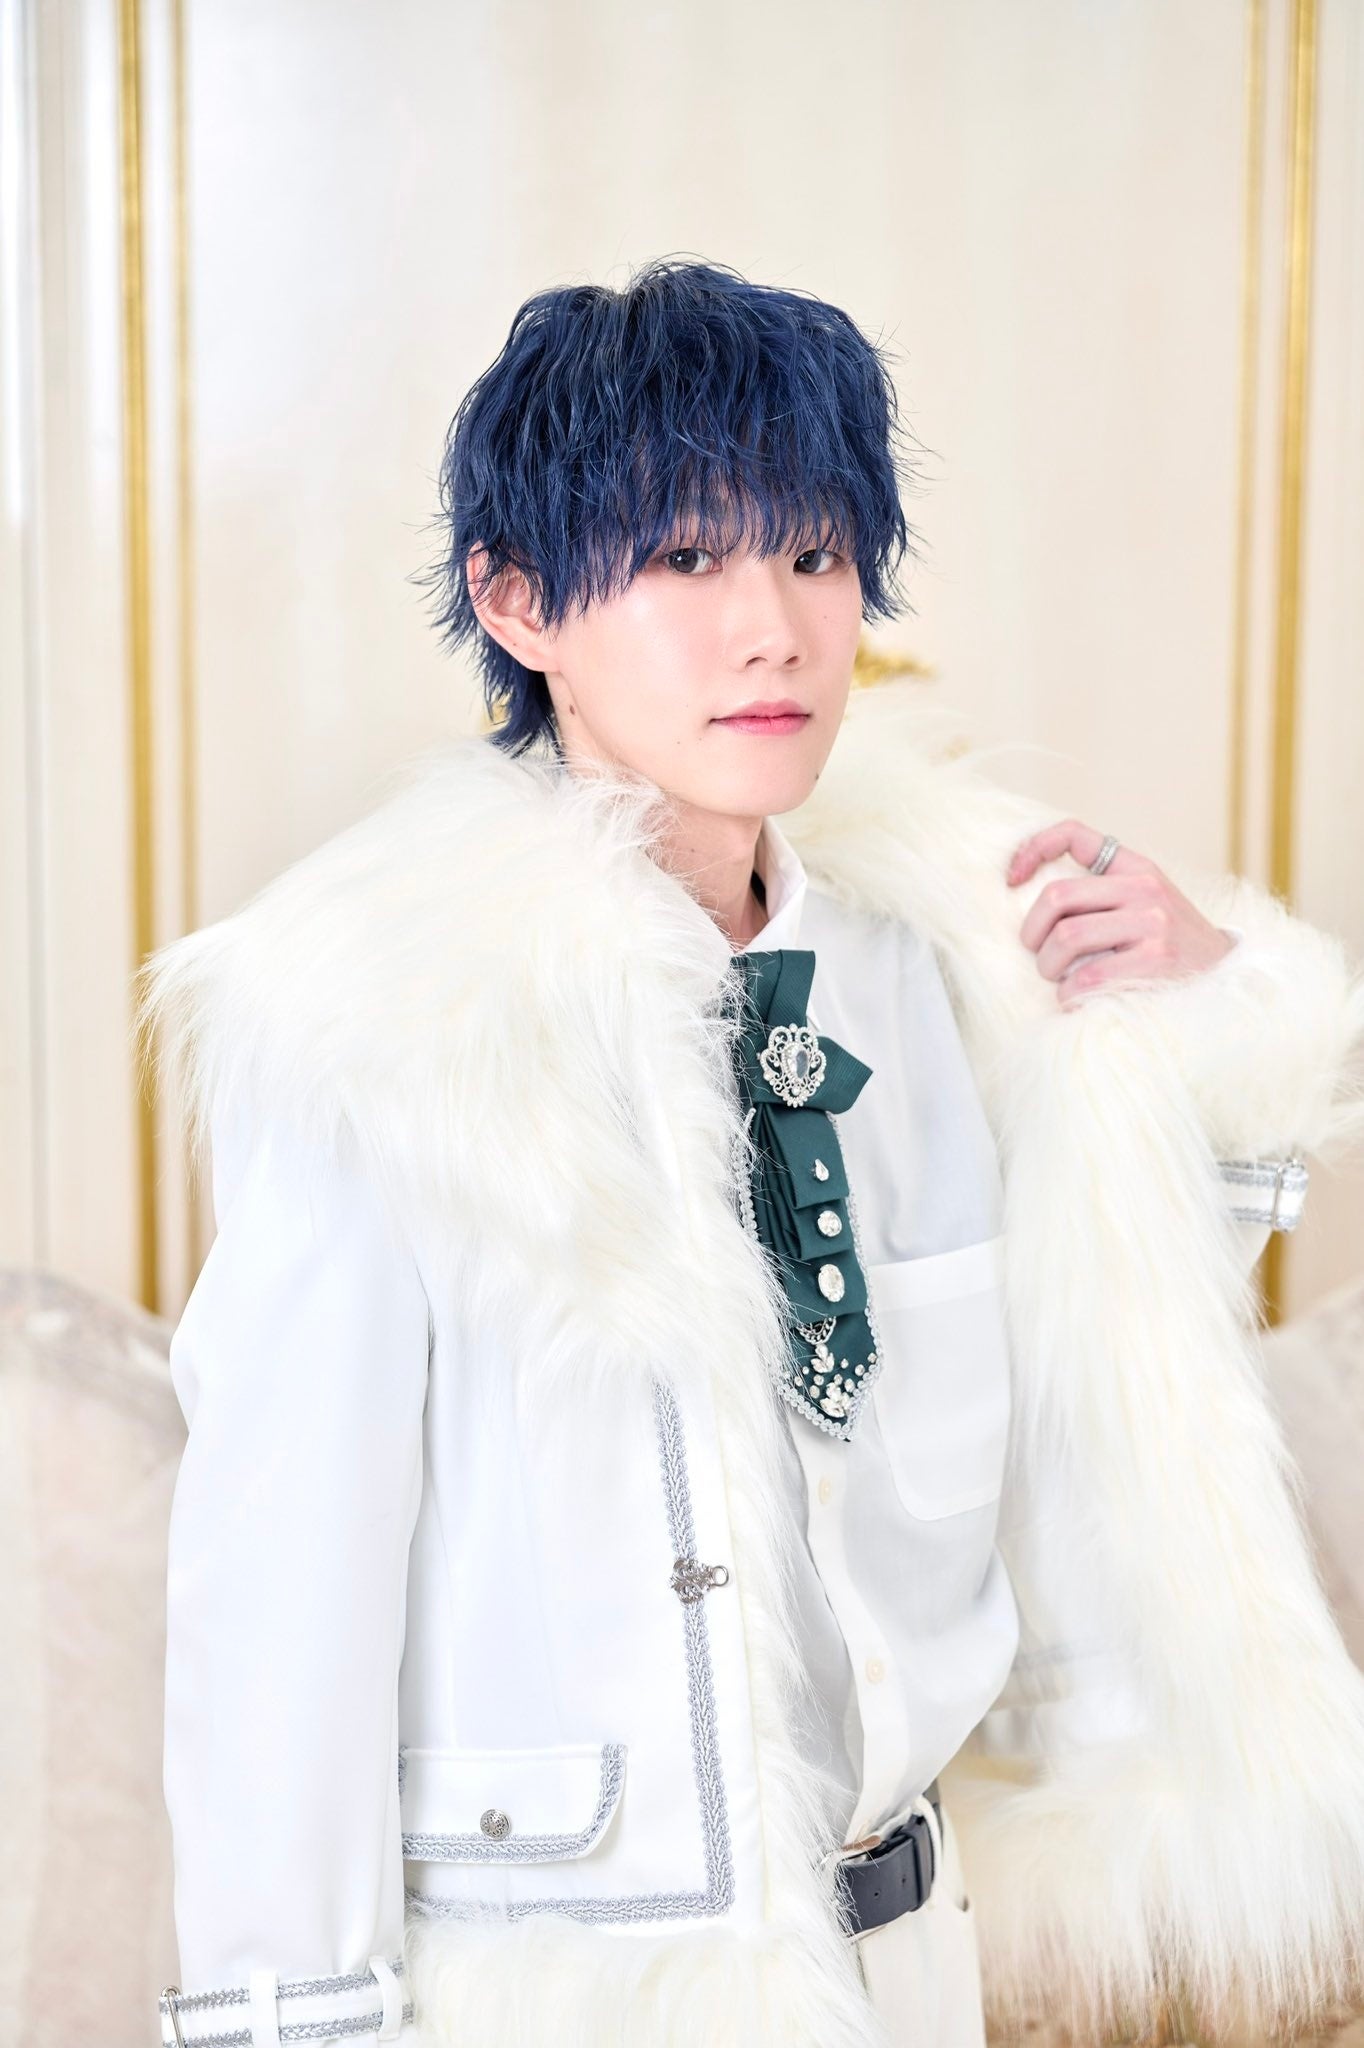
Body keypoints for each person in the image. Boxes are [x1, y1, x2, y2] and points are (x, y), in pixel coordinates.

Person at [141, 259, 1364, 2048]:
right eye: (686, 557)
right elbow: (280, 1594)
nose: (775, 629)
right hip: (575, 1995)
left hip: (916, 1961)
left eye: (813, 552)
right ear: (518, 599)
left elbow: (1124, 1361)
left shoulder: (934, 968)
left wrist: (1185, 1010)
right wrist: (293, 2014)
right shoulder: (383, 1020)